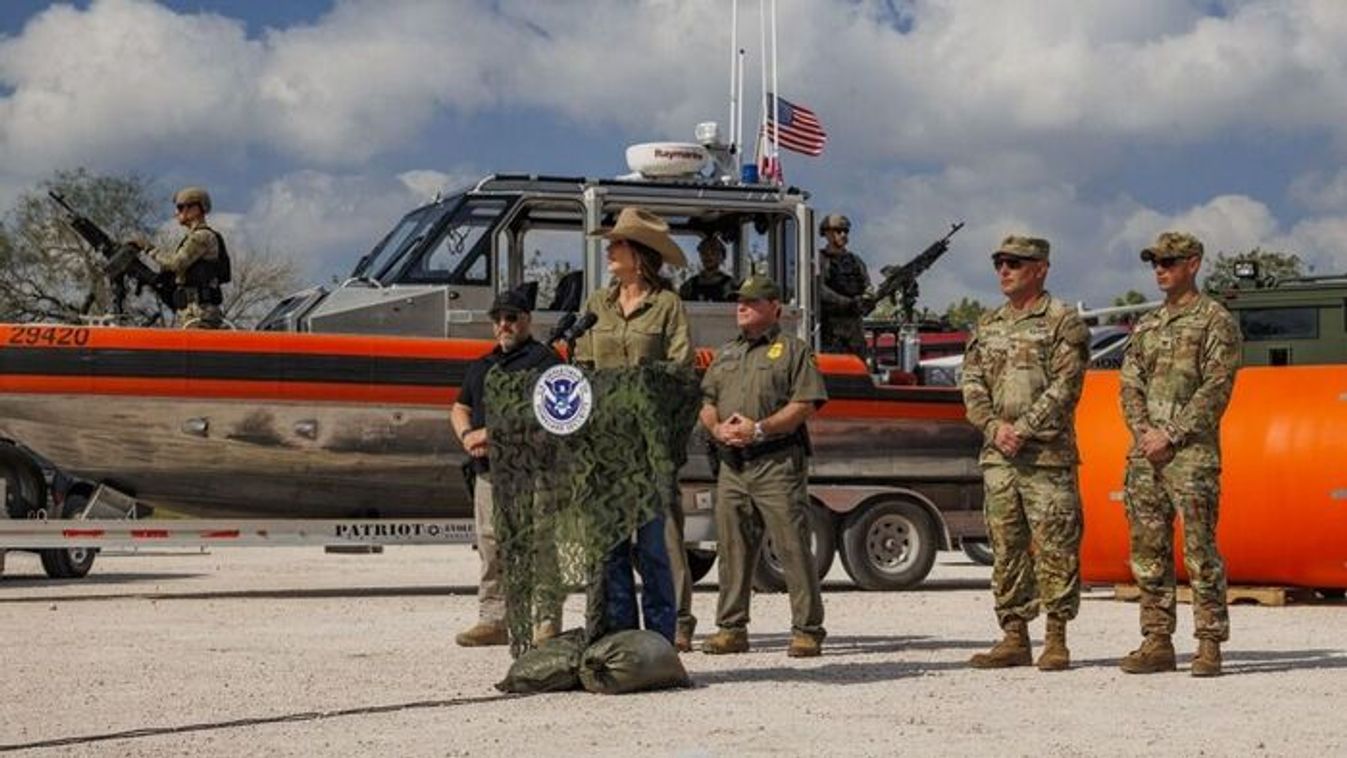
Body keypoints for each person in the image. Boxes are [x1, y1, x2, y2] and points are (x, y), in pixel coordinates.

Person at [960, 235, 1090, 672]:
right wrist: (993, 427)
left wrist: (1024, 428)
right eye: (999, 262)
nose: (1004, 270)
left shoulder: (1062, 321)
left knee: (1056, 546)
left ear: (1040, 269)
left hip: (1046, 456)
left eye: (1014, 263)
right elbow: (972, 383)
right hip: (999, 456)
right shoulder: (988, 323)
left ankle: (1056, 638)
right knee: (1006, 546)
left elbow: (1067, 386)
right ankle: (1014, 634)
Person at [1119, 231, 1240, 678]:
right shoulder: (1147, 325)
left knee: (1200, 550)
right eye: (1155, 262)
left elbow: (1217, 388)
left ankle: (1209, 643)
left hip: (1191, 457)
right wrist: (1143, 432)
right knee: (1147, 551)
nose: (1160, 269)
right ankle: (1157, 641)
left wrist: (1170, 434)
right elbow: (1129, 383)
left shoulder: (1215, 320)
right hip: (1145, 457)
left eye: (1169, 261)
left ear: (1193, 263)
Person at [574, 206, 693, 648]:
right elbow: (583, 366)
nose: (608, 250)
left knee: (654, 548)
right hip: (605, 446)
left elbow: (680, 369)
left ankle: (660, 641)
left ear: (639, 254)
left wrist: (637, 386)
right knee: (611, 551)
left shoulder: (667, 305)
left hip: (648, 447)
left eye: (617, 244)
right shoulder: (596, 304)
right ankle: (622, 641)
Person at [699, 275, 829, 658]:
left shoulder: (793, 351)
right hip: (732, 466)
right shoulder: (726, 353)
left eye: (753, 301)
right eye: (740, 301)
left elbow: (805, 403)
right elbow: (706, 401)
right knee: (732, 549)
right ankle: (731, 629)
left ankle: (807, 630)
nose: (742, 306)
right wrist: (716, 428)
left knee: (792, 547)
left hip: (777, 463)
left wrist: (759, 429)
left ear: (775, 308)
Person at [450, 284, 563, 646]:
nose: (503, 324)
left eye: (511, 317)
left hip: (533, 471)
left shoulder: (546, 362)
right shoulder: (483, 365)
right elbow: (460, 407)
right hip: (490, 473)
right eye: (497, 318)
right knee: (491, 544)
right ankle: (494, 619)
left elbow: (549, 413)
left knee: (539, 544)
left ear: (527, 320)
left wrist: (492, 433)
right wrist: (467, 435)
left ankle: (546, 621)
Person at [143, 187, 230, 329]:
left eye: (180, 207)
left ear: (196, 209)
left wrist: (149, 249)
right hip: (190, 312)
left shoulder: (203, 236)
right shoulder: (193, 237)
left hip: (200, 314)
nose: (176, 213)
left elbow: (176, 263)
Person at [817, 213, 871, 357]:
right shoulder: (820, 260)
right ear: (827, 233)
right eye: (838, 231)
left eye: (846, 231)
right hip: (830, 331)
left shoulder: (856, 261)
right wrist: (849, 303)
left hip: (854, 332)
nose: (843, 234)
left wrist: (868, 301)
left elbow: (867, 288)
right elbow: (819, 291)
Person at [678, 235, 737, 303]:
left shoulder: (730, 285)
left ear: (722, 257)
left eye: (713, 251)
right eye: (704, 251)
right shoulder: (689, 285)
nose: (708, 255)